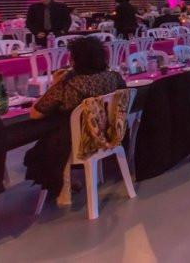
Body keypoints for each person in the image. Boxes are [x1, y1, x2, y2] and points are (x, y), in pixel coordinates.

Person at [23, 37, 125, 203]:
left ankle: (63, 182)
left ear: (75, 59)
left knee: (41, 150)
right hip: (109, 135)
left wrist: (55, 84)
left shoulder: (69, 84)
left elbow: (36, 113)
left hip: (80, 143)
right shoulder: (114, 78)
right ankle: (67, 181)